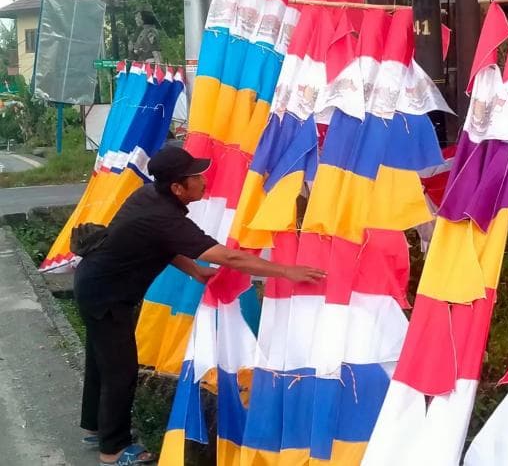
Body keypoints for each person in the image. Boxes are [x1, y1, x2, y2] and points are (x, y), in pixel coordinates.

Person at [73, 146, 325, 465]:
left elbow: (161, 245)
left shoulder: (151, 197)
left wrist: (194, 270)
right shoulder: (164, 216)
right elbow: (228, 256)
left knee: (102, 362)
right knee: (120, 371)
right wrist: (286, 271)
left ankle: (97, 427)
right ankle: (114, 450)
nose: (204, 181)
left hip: (96, 284)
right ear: (178, 187)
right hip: (106, 296)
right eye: (196, 177)